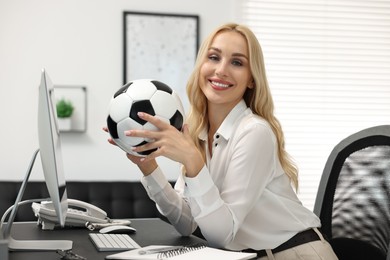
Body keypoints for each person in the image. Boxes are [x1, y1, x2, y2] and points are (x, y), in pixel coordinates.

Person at [105, 23, 338, 260]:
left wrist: (194, 162)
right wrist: (148, 167)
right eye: (214, 57)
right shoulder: (199, 132)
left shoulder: (255, 132)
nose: (221, 70)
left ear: (251, 80)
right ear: (201, 67)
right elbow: (188, 224)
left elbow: (221, 235)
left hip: (296, 254)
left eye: (237, 62)